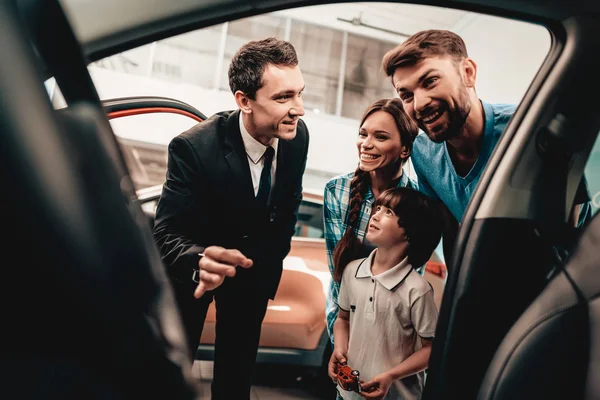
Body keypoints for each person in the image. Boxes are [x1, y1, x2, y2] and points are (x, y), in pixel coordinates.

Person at [153, 37, 309, 400]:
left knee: (236, 382)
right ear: (244, 101)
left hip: (251, 281)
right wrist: (199, 259)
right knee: (171, 376)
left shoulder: (297, 137)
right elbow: (166, 231)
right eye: (283, 97)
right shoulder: (192, 147)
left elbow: (288, 207)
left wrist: (268, 263)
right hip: (193, 279)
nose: (298, 109)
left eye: (300, 93)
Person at [381, 29, 592, 260]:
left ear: (468, 73)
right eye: (407, 95)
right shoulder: (422, 153)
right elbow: (452, 231)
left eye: (430, 81)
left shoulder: (528, 131)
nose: (419, 104)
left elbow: (571, 227)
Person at [328, 187, 443, 400]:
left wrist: (391, 375)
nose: (376, 215)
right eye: (378, 208)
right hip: (348, 395)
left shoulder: (417, 290)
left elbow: (431, 349)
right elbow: (343, 318)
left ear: (410, 231)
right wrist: (340, 349)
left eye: (388, 212)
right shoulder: (352, 270)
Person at [323, 98, 419, 348]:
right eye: (363, 134)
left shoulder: (420, 200)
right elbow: (338, 279)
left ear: (405, 149)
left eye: (380, 137)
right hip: (347, 327)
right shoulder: (337, 190)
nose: (366, 144)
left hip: (394, 335)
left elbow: (411, 279)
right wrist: (341, 344)